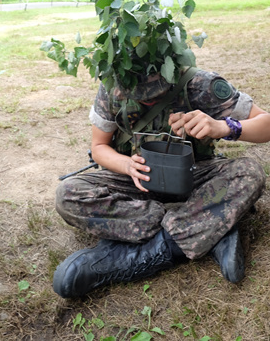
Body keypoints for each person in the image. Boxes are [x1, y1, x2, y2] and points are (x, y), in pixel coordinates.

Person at [52, 70, 266, 298]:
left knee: (249, 173)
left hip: (193, 178)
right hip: (137, 182)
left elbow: (266, 124)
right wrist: (126, 165)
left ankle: (141, 253)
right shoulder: (111, 87)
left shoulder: (200, 85)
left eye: (156, 91)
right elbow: (99, 147)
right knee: (68, 194)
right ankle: (208, 226)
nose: (148, 99)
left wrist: (224, 127)